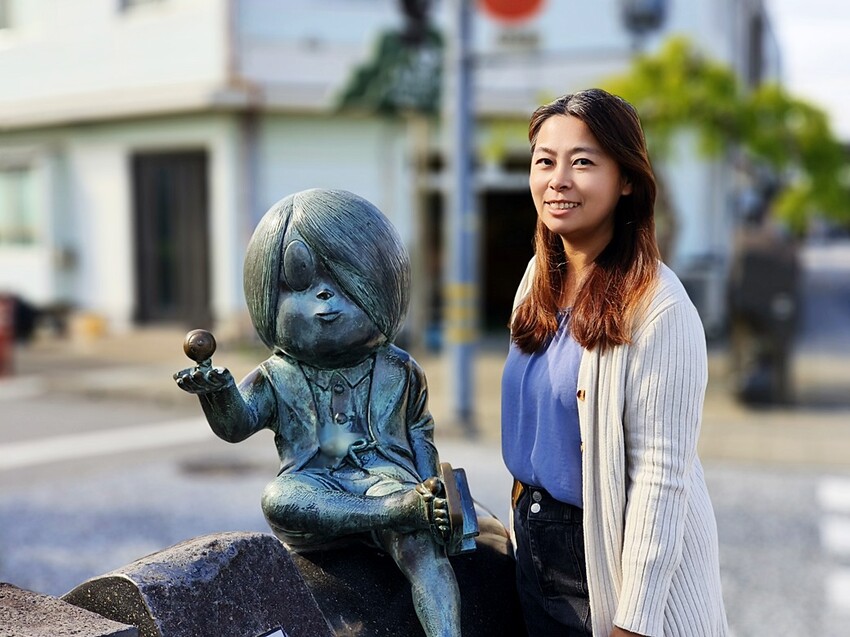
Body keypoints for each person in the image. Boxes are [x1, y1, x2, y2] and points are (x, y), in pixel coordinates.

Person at [174, 188, 461, 637]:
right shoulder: (279, 375)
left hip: (388, 477)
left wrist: (430, 493)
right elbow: (237, 425)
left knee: (425, 554)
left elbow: (419, 433)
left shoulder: (398, 369)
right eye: (301, 280)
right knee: (279, 498)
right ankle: (392, 512)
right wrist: (219, 391)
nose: (324, 295)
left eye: (343, 281)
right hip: (314, 488)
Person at [501, 89, 728, 636]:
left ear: (626, 179)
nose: (558, 180)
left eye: (582, 162)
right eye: (544, 161)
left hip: (605, 560)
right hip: (534, 542)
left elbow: (662, 476)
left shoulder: (659, 307)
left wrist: (634, 623)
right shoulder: (538, 276)